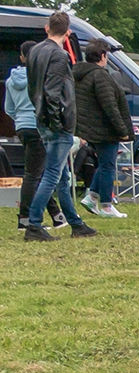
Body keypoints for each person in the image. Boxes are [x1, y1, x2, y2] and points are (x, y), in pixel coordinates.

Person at [22, 11, 95, 241]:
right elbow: (53, 92)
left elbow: (34, 88)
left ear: (47, 28)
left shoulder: (35, 51)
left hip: (41, 118)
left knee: (62, 176)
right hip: (56, 123)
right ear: (67, 31)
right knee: (53, 174)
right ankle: (34, 224)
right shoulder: (59, 56)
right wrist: (57, 122)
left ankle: (75, 223)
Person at [4, 40, 64, 232]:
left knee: (37, 171)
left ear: (22, 57)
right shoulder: (39, 77)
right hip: (38, 126)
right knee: (34, 174)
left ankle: (56, 215)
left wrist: (20, 119)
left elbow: (8, 109)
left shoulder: (10, 81)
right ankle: (25, 218)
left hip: (22, 127)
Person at [74, 39, 133, 219]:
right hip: (105, 129)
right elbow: (109, 105)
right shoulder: (100, 75)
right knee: (108, 166)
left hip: (89, 127)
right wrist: (122, 129)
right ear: (102, 56)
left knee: (104, 164)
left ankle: (92, 196)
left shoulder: (81, 75)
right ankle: (106, 205)